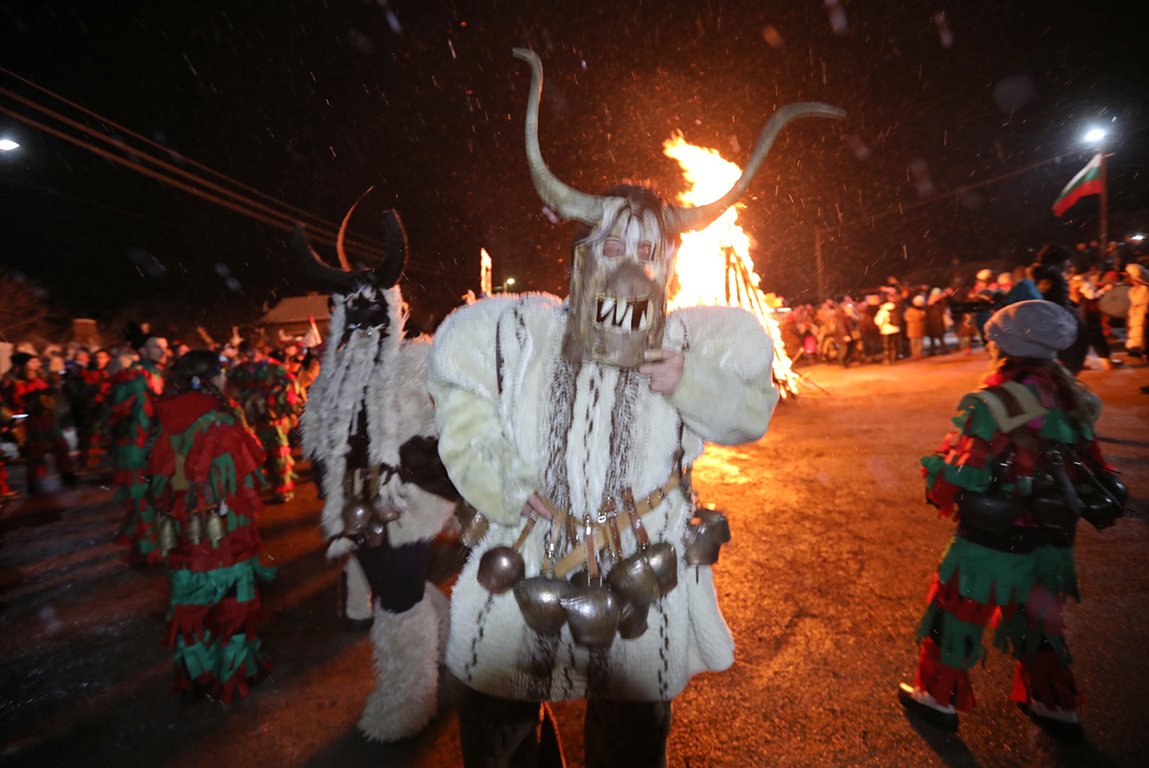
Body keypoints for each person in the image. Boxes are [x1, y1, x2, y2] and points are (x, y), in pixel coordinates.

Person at [428, 49, 836, 767]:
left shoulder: (692, 339)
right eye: (613, 240)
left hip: (640, 565)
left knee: (629, 739)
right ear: (584, 246)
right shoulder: (518, 327)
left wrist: (688, 382)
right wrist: (504, 484)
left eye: (646, 247)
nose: (627, 257)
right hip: (523, 555)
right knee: (499, 728)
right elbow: (459, 397)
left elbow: (749, 415)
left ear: (667, 263)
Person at [899, 300, 1126, 740]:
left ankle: (937, 698)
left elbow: (963, 474)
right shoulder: (1075, 396)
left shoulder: (996, 400)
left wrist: (937, 470)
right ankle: (1055, 705)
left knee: (958, 612)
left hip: (993, 538)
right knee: (1038, 621)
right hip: (1053, 537)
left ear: (1004, 347)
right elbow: (1092, 465)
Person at [294, 208, 458, 742]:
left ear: (394, 309)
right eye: (350, 307)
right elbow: (319, 439)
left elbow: (453, 432)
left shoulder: (419, 361)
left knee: (399, 596)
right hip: (355, 508)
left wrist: (412, 465)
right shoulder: (331, 378)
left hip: (407, 506)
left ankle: (408, 699)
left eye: (373, 308)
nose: (362, 318)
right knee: (400, 589)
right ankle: (452, 644)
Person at [147, 350, 275, 703]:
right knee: (232, 602)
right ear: (211, 380)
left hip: (181, 533)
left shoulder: (165, 419)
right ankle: (233, 674)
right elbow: (243, 479)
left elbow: (157, 479)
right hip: (223, 531)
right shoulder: (219, 423)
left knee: (190, 604)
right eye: (220, 373)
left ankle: (195, 674)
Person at [110, 326, 169, 561]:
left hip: (151, 446)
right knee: (141, 499)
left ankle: (151, 545)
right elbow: (119, 414)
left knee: (154, 497)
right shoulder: (132, 377)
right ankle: (147, 549)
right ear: (142, 350)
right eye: (156, 346)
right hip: (134, 448)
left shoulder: (158, 374)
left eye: (164, 347)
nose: (162, 351)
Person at [228, 341, 302, 502]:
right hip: (250, 423)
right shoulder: (238, 372)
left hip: (273, 421)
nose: (253, 354)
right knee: (252, 458)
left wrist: (275, 396)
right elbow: (231, 392)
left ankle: (282, 490)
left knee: (279, 457)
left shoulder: (276, 368)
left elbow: (289, 387)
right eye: (249, 351)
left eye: (256, 350)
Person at [1, 352, 77, 494]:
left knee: (60, 445)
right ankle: (35, 481)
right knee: (37, 450)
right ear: (24, 365)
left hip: (48, 418)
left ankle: (67, 474)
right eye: (32, 362)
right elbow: (14, 402)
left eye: (37, 361)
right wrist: (28, 400)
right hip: (33, 420)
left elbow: (49, 394)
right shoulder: (14, 381)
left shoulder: (39, 378)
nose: (37, 364)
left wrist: (50, 393)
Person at [64, 348, 112, 469]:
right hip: (91, 411)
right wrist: (92, 390)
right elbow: (74, 389)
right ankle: (89, 465)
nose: (98, 360)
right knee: (91, 437)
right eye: (96, 357)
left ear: (108, 359)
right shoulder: (86, 374)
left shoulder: (108, 373)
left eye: (102, 357)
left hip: (106, 409)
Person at [1125, 263, 1149, 359]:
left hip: (1143, 312)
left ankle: (1142, 350)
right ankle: (1136, 348)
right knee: (1137, 329)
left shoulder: (1145, 288)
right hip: (1137, 312)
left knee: (1142, 330)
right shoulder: (1135, 289)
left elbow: (1138, 300)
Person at [875, 297, 901, 364]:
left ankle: (887, 360)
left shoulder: (883, 311)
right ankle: (893, 359)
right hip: (895, 329)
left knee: (887, 346)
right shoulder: (894, 308)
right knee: (893, 345)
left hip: (886, 330)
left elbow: (878, 321)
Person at [924, 288, 950, 356]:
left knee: (940, 336)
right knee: (931, 338)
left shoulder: (941, 301)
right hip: (930, 322)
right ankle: (932, 351)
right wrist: (930, 304)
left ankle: (944, 349)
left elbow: (942, 309)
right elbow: (926, 310)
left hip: (938, 321)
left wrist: (936, 302)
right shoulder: (929, 302)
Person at [905, 294, 927, 361]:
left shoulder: (922, 309)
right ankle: (915, 354)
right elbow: (907, 318)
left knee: (919, 341)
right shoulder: (911, 309)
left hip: (918, 327)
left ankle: (918, 353)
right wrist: (916, 319)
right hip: (913, 327)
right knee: (913, 341)